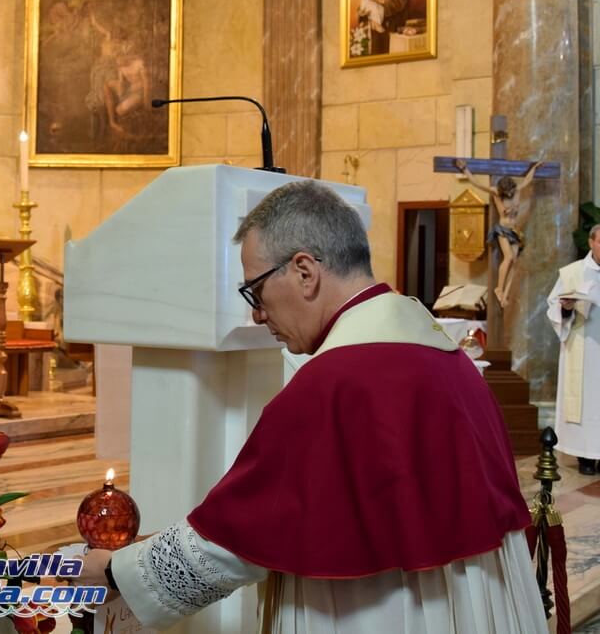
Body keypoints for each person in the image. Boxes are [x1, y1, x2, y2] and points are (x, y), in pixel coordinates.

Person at [77, 181, 541, 632]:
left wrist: (117, 572)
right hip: (474, 602)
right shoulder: (445, 354)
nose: (257, 313)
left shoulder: (331, 384)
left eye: (255, 291)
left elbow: (240, 534)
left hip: (382, 612)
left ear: (304, 271)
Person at [547, 224, 600, 475]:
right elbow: (553, 306)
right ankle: (586, 457)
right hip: (584, 346)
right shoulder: (573, 273)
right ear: (591, 242)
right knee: (586, 402)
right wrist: (566, 307)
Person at [455, 158, 541, 308]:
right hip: (502, 229)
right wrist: (465, 170)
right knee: (507, 257)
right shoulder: (496, 192)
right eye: (506, 193)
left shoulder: (517, 190)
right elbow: (477, 184)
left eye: (510, 192)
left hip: (514, 230)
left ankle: (505, 294)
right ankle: (499, 289)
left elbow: (528, 179)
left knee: (515, 262)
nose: (509, 194)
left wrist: (535, 168)